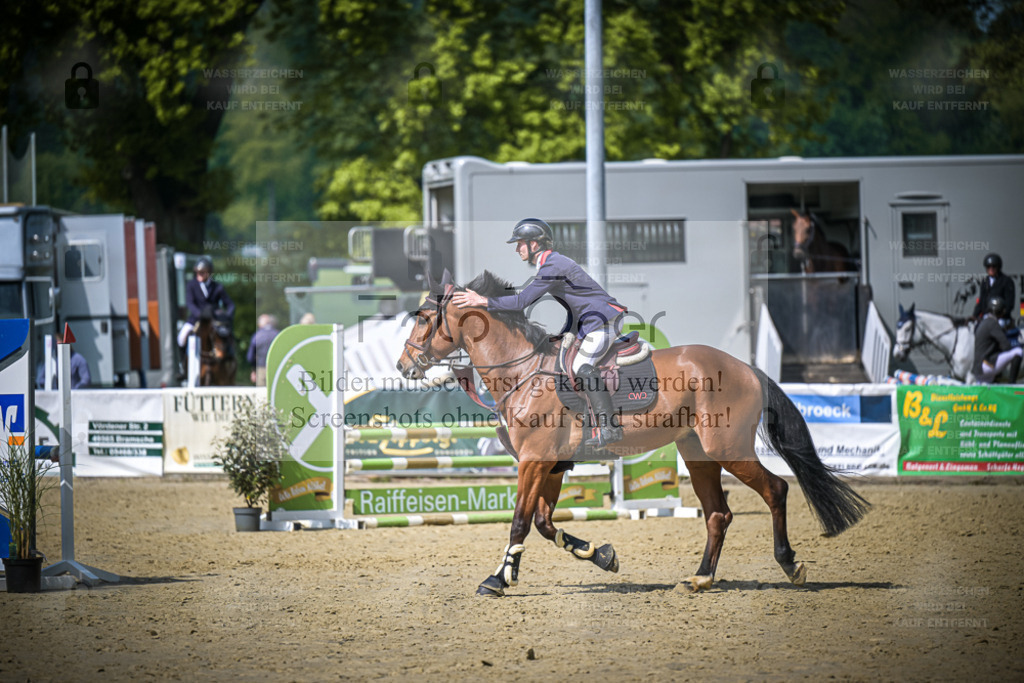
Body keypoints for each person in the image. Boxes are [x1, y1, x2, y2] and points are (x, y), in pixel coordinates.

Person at [452, 218, 627, 447]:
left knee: (581, 367)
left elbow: (522, 301)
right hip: (591, 322)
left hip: (604, 320)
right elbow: (576, 304)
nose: (517, 249)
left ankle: (609, 427)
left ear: (534, 244)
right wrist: (566, 333)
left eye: (520, 243)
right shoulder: (551, 263)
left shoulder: (553, 265)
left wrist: (482, 300)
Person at [177, 257, 235, 347]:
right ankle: (184, 360)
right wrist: (199, 314)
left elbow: (230, 304)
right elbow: (190, 303)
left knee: (228, 336)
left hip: (214, 319)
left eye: (202, 273)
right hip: (196, 318)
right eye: (197, 272)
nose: (198, 275)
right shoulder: (192, 285)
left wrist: (227, 316)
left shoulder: (217, 287)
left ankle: (230, 358)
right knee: (181, 338)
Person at [972, 297, 1023, 384]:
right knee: (1018, 351)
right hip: (986, 367)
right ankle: (1011, 384)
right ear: (999, 311)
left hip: (977, 370)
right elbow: (1006, 346)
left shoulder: (984, 322)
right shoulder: (993, 323)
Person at [972, 253, 1015, 321]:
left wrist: (1000, 315)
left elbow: (1009, 304)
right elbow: (981, 302)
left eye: (994, 266)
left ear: (998, 267)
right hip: (986, 316)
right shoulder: (985, 281)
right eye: (988, 266)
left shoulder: (1007, 281)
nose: (991, 269)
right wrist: (974, 316)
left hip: (1001, 318)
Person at [247, 314, 279, 386]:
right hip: (276, 370)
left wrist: (253, 370)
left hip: (261, 369)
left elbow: (250, 357)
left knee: (261, 395)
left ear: (260, 324)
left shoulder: (257, 336)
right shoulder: (277, 334)